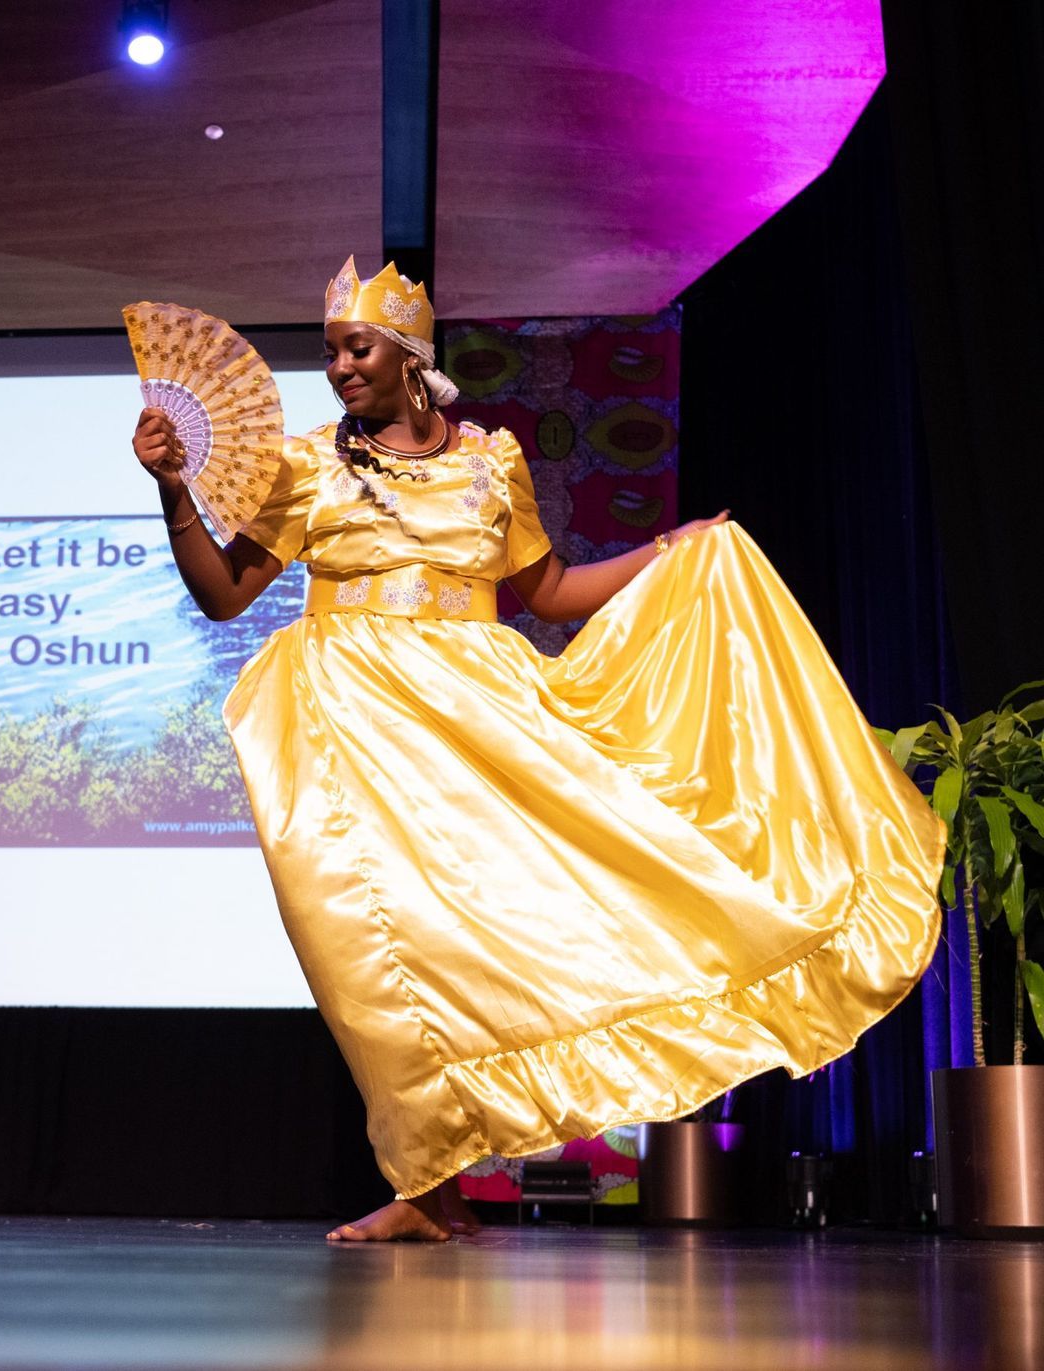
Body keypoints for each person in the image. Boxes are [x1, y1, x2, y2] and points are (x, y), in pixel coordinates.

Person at [130, 258, 943, 1242]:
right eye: (332, 349)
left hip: (480, 718)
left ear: (410, 357)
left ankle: (477, 1162)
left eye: (358, 347)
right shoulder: (305, 466)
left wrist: (666, 551)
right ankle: (425, 1190)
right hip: (353, 724)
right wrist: (175, 490)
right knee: (378, 957)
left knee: (522, 926)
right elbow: (224, 595)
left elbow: (549, 592)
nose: (340, 366)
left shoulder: (491, 461)